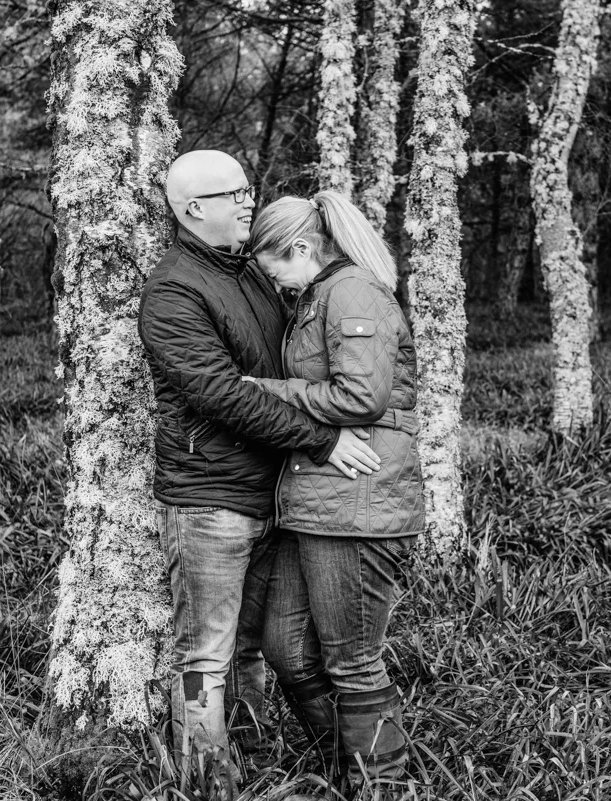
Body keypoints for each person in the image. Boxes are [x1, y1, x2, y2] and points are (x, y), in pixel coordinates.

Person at [137, 151, 383, 794]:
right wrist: (322, 442)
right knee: (206, 656)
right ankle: (208, 783)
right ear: (195, 209)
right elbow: (223, 394)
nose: (250, 200)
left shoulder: (251, 273)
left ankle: (254, 760)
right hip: (211, 503)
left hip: (277, 494)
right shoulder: (174, 290)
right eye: (235, 192)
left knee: (256, 649)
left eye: (250, 188)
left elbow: (291, 370)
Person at [244, 190, 426, 796]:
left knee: (351, 661)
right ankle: (349, 764)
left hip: (358, 503)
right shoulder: (319, 295)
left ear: (299, 248)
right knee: (287, 648)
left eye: (274, 267)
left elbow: (360, 399)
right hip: (321, 500)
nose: (276, 282)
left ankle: (381, 786)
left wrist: (271, 392)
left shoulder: (350, 292)